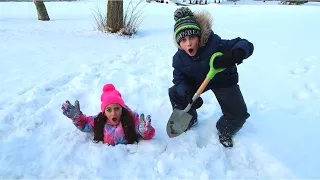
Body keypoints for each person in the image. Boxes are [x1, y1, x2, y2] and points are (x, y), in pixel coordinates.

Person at [169, 7, 254, 148]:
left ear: (199, 36)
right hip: (200, 81)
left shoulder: (215, 44)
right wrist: (187, 92)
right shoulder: (179, 59)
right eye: (183, 40)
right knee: (175, 93)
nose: (188, 43)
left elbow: (245, 43)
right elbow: (179, 80)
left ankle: (225, 129)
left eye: (192, 37)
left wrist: (235, 54)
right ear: (179, 43)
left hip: (223, 80)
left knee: (239, 114)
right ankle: (189, 118)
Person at [61, 83, 155, 145]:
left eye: (117, 108)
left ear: (122, 108)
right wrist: (77, 118)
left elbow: (144, 131)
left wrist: (146, 131)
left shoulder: (132, 118)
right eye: (109, 110)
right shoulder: (98, 120)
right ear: (104, 112)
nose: (113, 113)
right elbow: (85, 125)